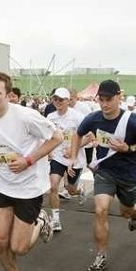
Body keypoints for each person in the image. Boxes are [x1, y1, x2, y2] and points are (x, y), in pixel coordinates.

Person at [0, 71, 62, 271]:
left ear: (8, 95)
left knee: (19, 248)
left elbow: (57, 137)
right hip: (2, 186)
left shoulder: (26, 117)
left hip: (29, 189)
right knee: (0, 241)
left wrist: (29, 160)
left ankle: (41, 221)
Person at [68, 80, 136, 271]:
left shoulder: (133, 120)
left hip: (128, 174)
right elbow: (78, 134)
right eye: (101, 99)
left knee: (126, 211)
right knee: (100, 210)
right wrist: (73, 157)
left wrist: (130, 148)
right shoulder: (93, 118)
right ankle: (101, 256)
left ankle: (134, 212)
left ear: (119, 97)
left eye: (109, 99)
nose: (105, 104)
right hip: (104, 171)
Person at [46, 87, 88, 232]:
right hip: (57, 157)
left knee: (70, 190)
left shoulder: (77, 117)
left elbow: (90, 136)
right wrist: (49, 150)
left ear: (68, 100)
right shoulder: (50, 117)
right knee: (53, 186)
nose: (57, 102)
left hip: (74, 159)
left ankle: (79, 189)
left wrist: (73, 149)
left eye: (61, 99)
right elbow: (48, 136)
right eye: (55, 99)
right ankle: (56, 220)